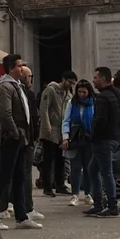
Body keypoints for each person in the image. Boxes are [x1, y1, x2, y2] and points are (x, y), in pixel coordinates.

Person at [0, 56, 40, 228]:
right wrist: (15, 132)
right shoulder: (5, 87)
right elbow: (5, 114)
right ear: (11, 68)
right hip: (12, 138)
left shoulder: (18, 86)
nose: (22, 68)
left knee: (20, 177)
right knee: (5, 176)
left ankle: (22, 216)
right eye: (20, 66)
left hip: (22, 137)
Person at [80, 67, 120, 219]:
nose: (93, 81)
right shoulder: (116, 94)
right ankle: (98, 203)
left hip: (104, 139)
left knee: (106, 172)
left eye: (96, 78)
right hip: (114, 136)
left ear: (103, 79)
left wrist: (93, 136)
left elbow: (100, 120)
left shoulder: (102, 98)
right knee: (93, 169)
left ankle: (112, 206)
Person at [38, 69, 74, 197]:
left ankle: (60, 184)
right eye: (70, 82)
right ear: (63, 79)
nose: (71, 85)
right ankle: (47, 186)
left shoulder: (68, 95)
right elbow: (44, 108)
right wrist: (46, 126)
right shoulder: (51, 90)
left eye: (73, 83)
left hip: (61, 131)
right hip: (51, 129)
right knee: (48, 159)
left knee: (61, 159)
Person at [64, 78, 95, 207]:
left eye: (84, 92)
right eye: (79, 92)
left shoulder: (94, 103)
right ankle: (75, 194)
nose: (81, 94)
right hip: (75, 137)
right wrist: (65, 137)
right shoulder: (72, 103)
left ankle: (88, 194)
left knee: (89, 167)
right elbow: (66, 120)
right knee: (75, 167)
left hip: (89, 138)